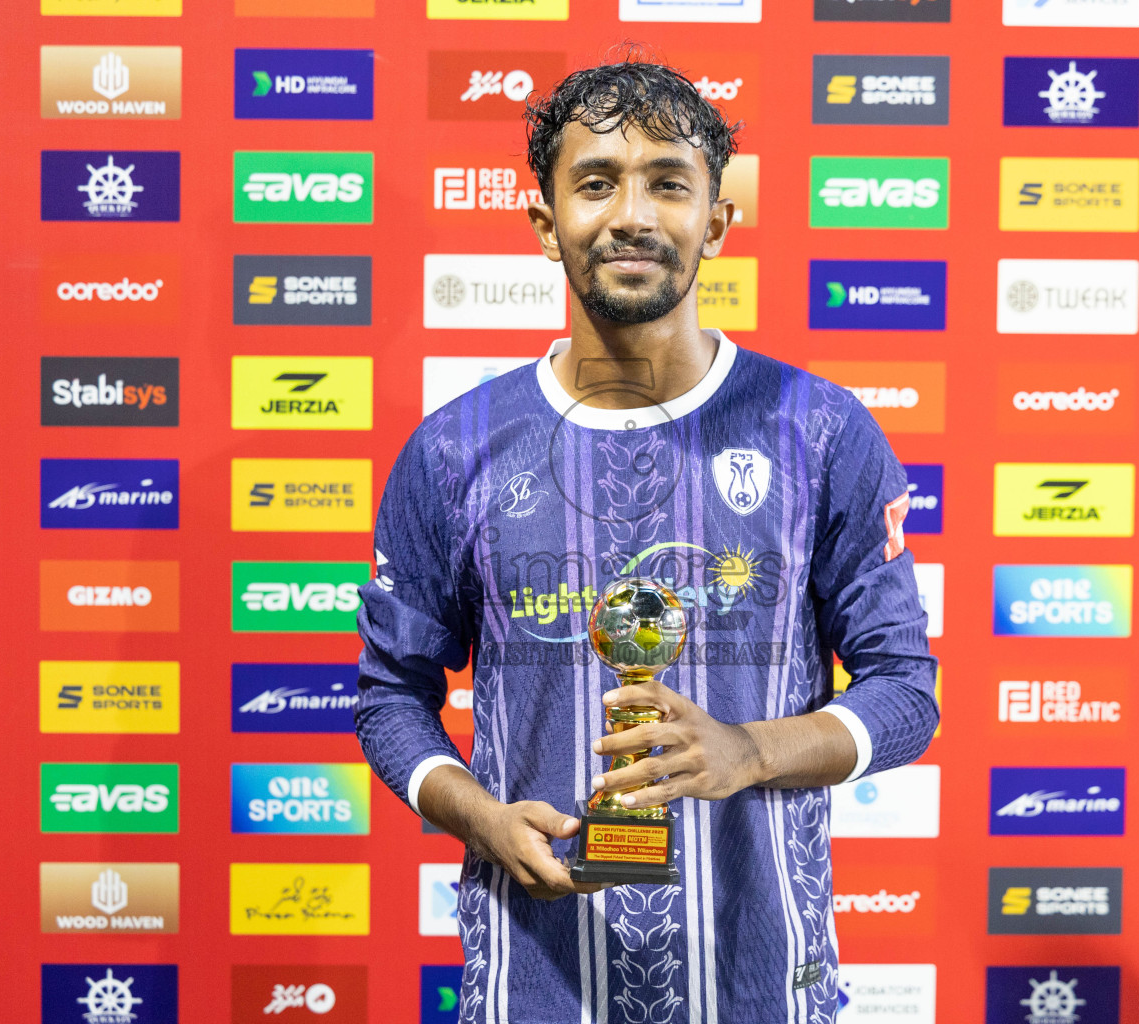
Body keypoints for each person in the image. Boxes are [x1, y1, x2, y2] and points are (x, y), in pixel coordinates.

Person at [356, 56, 938, 1024]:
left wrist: (748, 748)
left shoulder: (823, 429)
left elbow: (906, 696)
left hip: (761, 984)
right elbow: (391, 700)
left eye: (668, 181)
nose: (632, 214)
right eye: (595, 183)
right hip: (531, 982)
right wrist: (480, 814)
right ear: (546, 225)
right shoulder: (453, 446)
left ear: (715, 220)